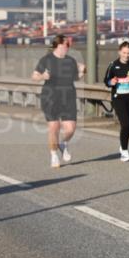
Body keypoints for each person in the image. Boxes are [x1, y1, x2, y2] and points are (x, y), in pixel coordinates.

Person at [31, 34, 85, 168]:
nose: (69, 47)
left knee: (71, 129)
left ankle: (63, 143)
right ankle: (54, 155)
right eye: (67, 44)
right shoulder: (46, 60)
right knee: (54, 127)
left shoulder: (71, 61)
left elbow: (75, 78)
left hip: (69, 97)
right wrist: (42, 76)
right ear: (59, 45)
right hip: (51, 98)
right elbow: (34, 76)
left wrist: (83, 72)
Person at [102, 41, 129, 162]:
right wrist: (111, 82)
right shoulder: (113, 65)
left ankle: (123, 144)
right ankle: (125, 152)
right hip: (119, 99)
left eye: (128, 53)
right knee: (125, 124)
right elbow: (106, 80)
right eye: (124, 53)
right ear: (119, 52)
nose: (126, 55)